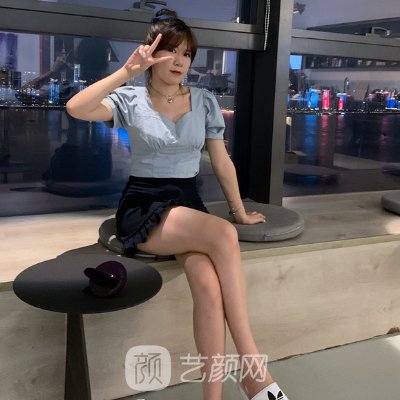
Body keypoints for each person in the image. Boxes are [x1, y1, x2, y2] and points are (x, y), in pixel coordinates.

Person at [66, 9, 290, 400]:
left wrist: (239, 211)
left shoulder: (203, 100)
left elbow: (221, 160)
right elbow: (76, 107)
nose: (180, 60)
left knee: (208, 285)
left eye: (187, 53)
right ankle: (253, 368)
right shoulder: (130, 98)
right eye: (170, 51)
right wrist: (127, 72)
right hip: (144, 205)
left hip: (187, 204)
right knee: (222, 234)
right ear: (151, 54)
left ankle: (213, 397)